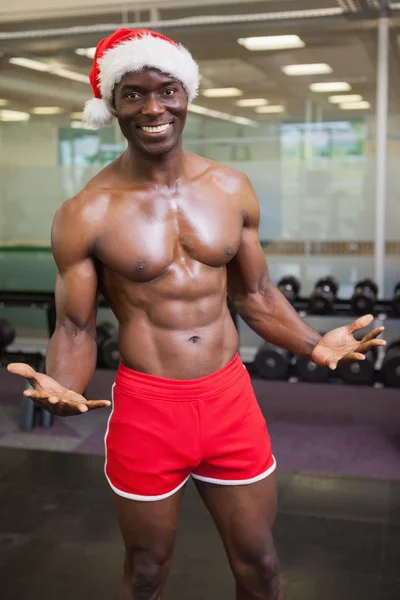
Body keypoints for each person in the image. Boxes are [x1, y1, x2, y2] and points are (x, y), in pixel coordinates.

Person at [8, 29, 386, 600]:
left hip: (229, 400)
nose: (153, 107)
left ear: (188, 95)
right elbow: (76, 327)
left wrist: (314, 344)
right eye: (133, 94)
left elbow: (255, 294)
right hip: (148, 408)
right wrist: (63, 383)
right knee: (146, 572)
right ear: (112, 106)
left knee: (260, 566)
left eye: (166, 90)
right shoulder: (86, 212)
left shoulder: (231, 188)